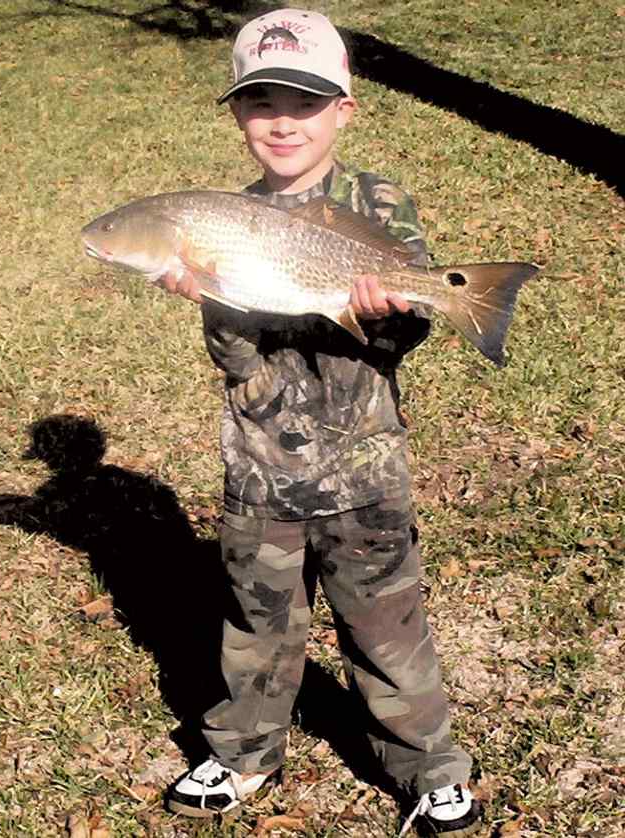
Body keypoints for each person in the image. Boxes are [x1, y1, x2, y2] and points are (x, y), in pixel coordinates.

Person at [161, 9, 483, 836]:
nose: (281, 119)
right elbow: (234, 361)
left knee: (387, 625)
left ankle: (430, 765)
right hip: (260, 465)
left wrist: (385, 310)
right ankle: (242, 754)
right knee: (258, 624)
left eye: (305, 101)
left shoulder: (376, 203)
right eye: (261, 99)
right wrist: (207, 293)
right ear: (236, 113)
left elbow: (403, 333)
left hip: (365, 467)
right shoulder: (220, 219)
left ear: (344, 109)